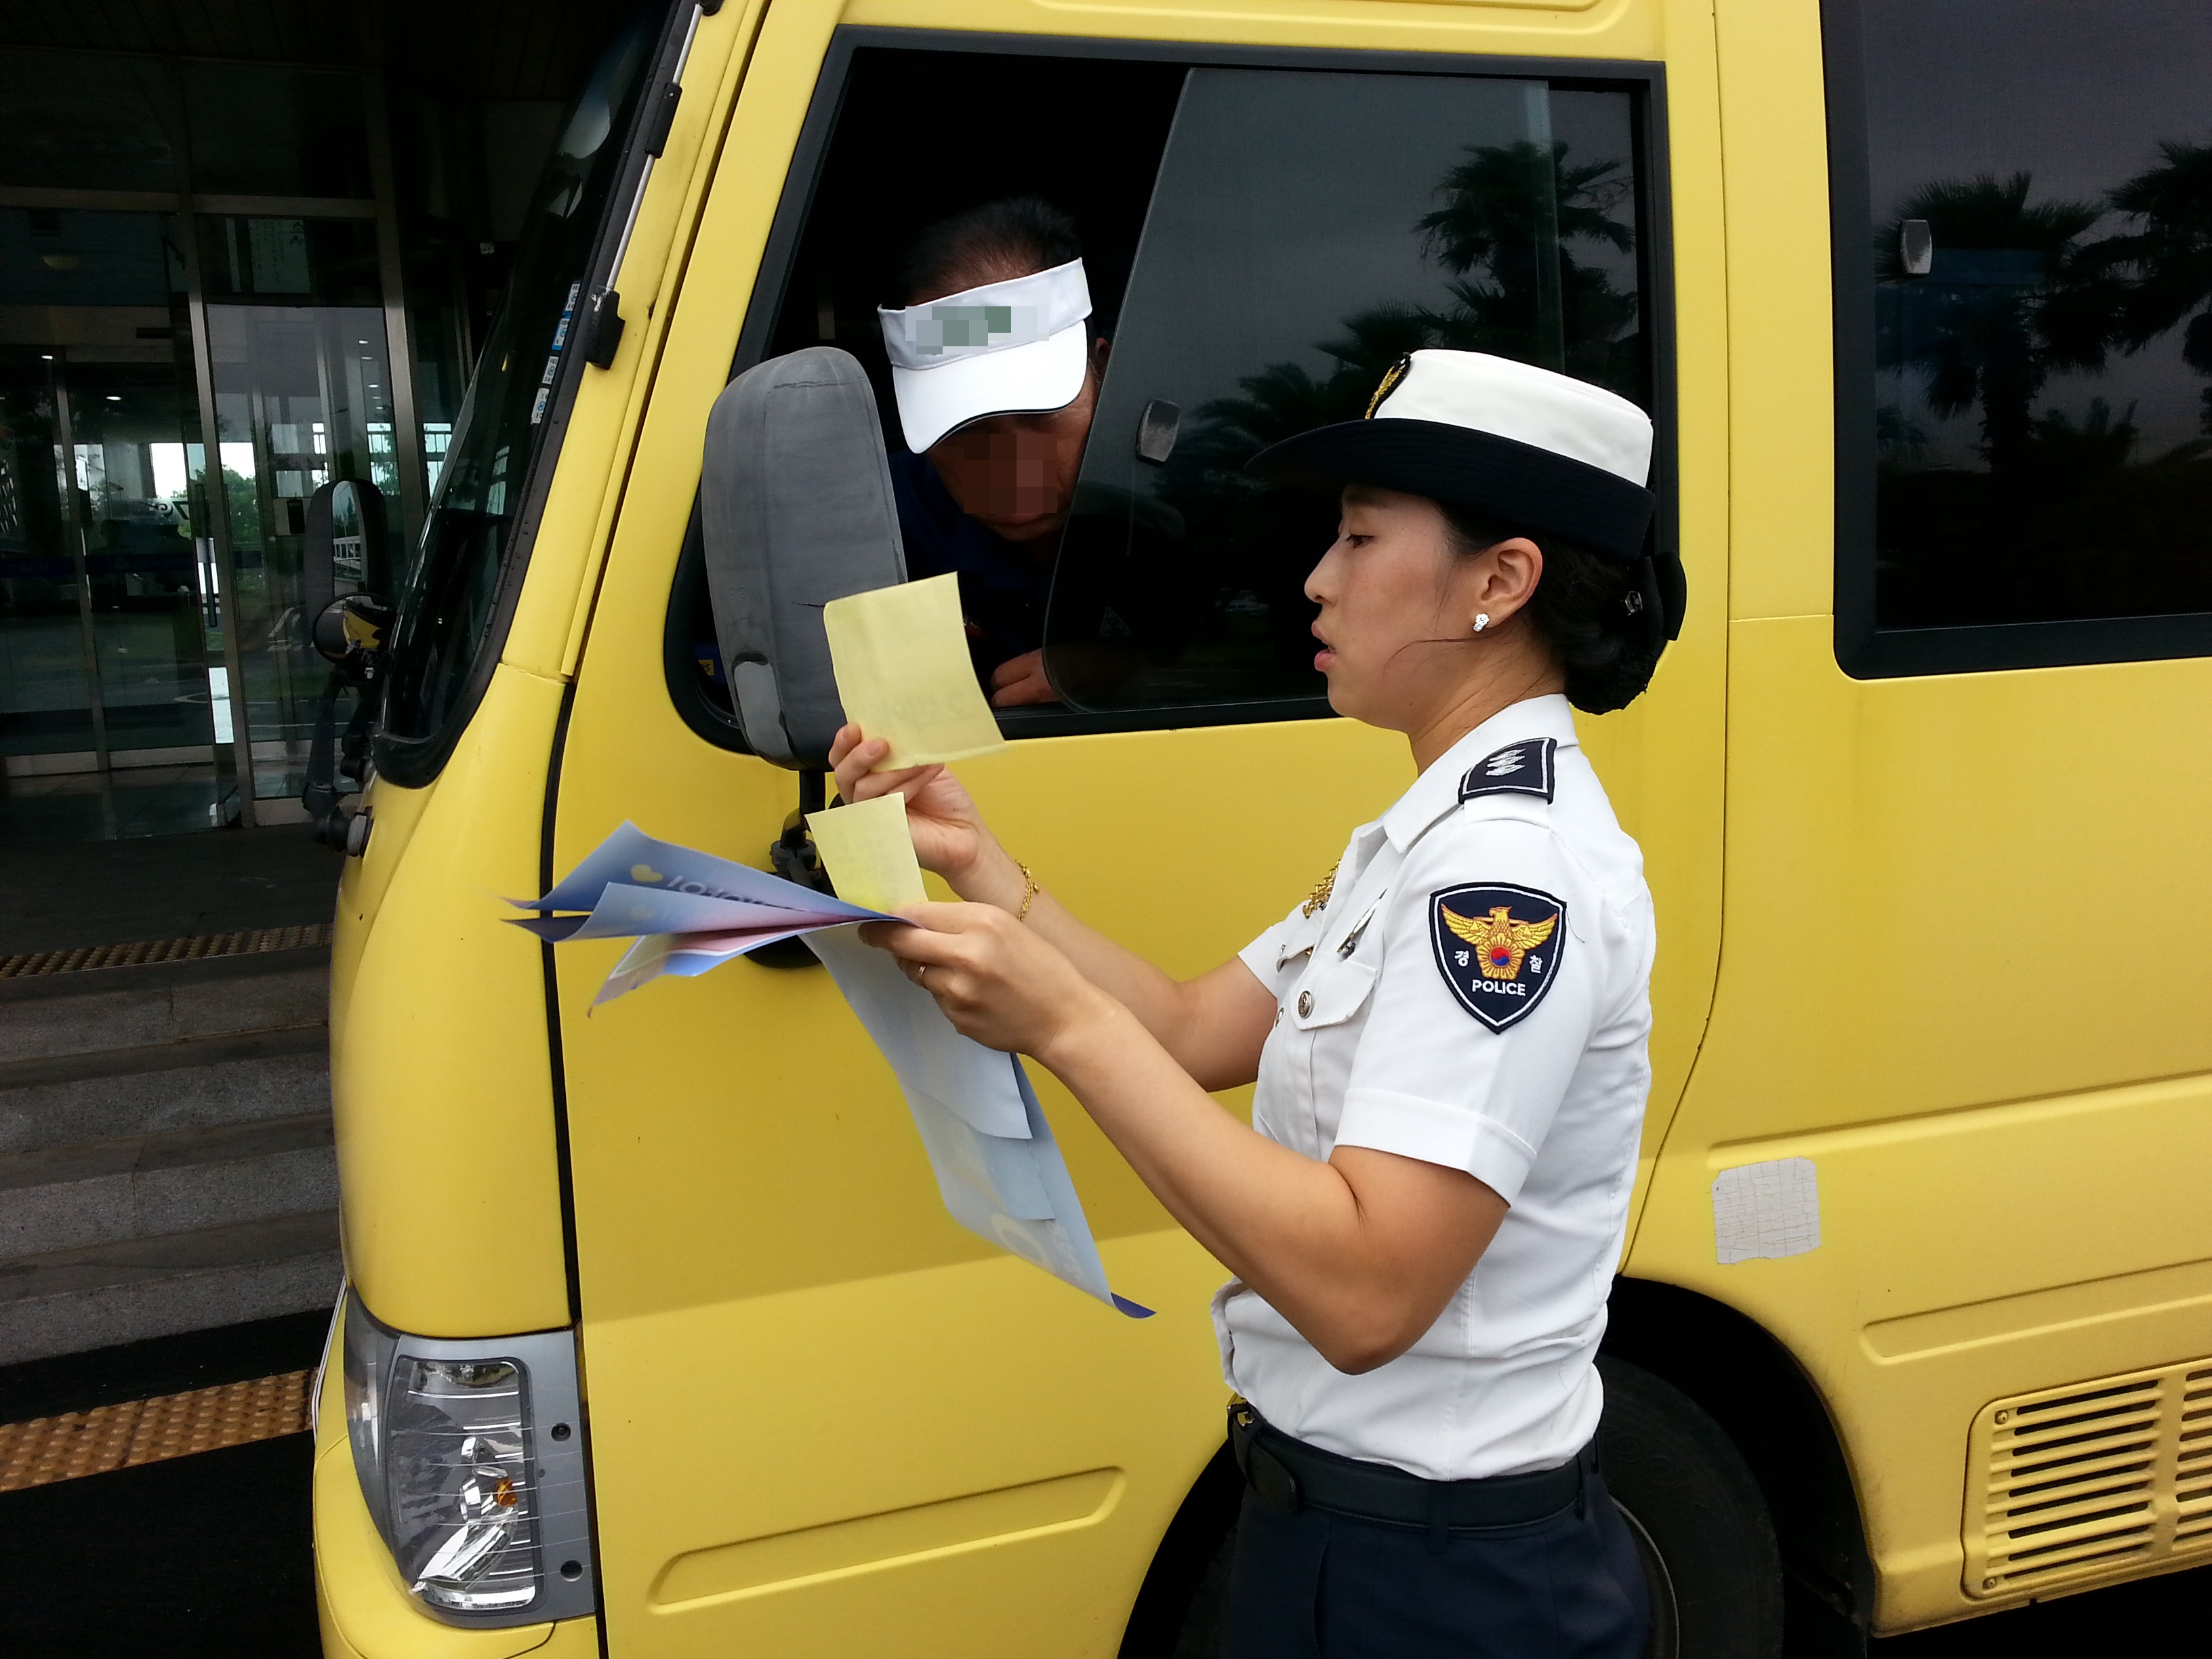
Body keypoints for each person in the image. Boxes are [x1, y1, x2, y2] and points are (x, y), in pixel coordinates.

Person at [834, 348, 1673, 1658]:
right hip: (1335, 1532)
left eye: (1355, 537)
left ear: (1499, 582)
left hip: (1436, 1586)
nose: (1315, 581)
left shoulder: (1506, 874)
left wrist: (1060, 1021)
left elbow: (1368, 1292)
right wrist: (977, 866)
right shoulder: (1423, 835)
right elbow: (1182, 1025)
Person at [876, 197, 1107, 707]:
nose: (1012, 466)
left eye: (1039, 414)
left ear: (1101, 372)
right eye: (964, 425)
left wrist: (1135, 673)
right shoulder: (869, 526)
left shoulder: (1197, 500)